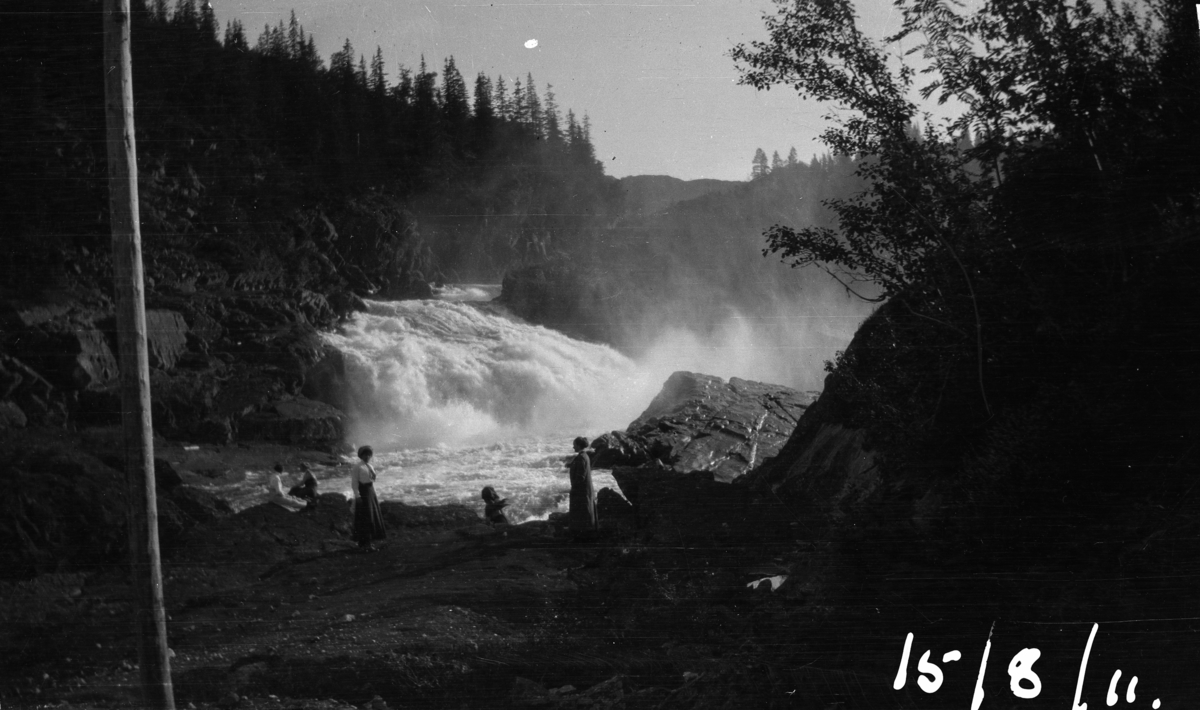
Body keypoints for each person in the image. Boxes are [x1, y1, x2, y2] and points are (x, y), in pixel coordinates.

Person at [351, 445, 386, 551]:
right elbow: (354, 482)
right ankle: (365, 543)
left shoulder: (370, 466)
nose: (367, 456)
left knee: (372, 516)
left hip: (371, 492)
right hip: (363, 492)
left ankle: (369, 542)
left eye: (369, 455)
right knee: (366, 518)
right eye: (365, 454)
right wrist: (357, 496)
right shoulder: (357, 466)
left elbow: (371, 479)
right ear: (361, 455)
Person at [567, 436, 597, 538]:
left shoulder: (581, 458)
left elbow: (580, 477)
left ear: (579, 445)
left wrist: (574, 489)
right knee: (585, 513)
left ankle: (582, 538)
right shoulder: (585, 456)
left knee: (581, 514)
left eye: (574, 444)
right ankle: (584, 536)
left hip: (581, 491)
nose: (573, 447)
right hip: (584, 490)